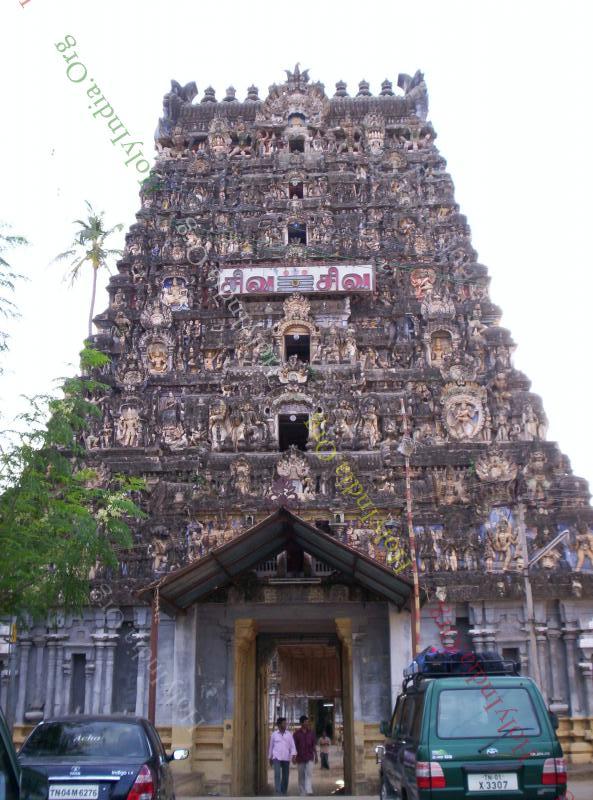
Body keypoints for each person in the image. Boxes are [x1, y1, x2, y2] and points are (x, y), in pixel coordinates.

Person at [269, 717, 296, 796]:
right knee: (277, 774)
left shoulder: (289, 734)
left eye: (286, 723)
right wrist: (270, 757)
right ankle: (278, 790)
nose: (286, 724)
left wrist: (293, 755)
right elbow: (271, 746)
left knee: (285, 775)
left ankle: (284, 790)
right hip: (276, 757)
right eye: (284, 723)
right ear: (279, 724)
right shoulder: (274, 735)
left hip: (286, 757)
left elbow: (292, 746)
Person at [293, 715, 318, 796]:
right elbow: (294, 746)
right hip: (300, 757)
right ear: (301, 723)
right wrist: (293, 757)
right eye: (305, 722)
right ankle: (302, 791)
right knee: (301, 775)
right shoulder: (296, 734)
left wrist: (316, 756)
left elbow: (314, 745)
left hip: (310, 756)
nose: (307, 723)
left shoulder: (311, 733)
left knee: (309, 773)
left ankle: (309, 789)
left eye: (308, 722)